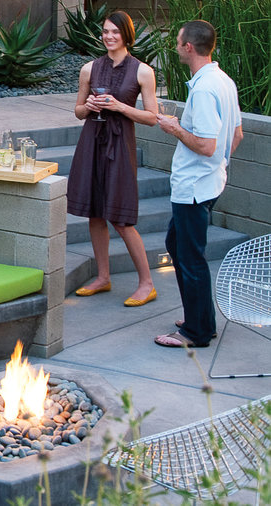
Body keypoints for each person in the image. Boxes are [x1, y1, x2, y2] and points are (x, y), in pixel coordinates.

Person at [154, 20, 243, 348]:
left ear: (188, 47)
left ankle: (195, 332)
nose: (176, 46)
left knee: (189, 256)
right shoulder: (223, 81)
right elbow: (236, 134)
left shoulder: (205, 89)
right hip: (209, 183)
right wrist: (218, 165)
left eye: (178, 42)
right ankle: (200, 318)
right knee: (177, 245)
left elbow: (206, 144)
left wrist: (174, 128)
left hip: (194, 188)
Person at [67, 10, 159, 307]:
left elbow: (152, 117)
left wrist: (120, 106)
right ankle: (103, 277)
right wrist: (90, 106)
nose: (108, 36)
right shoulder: (89, 69)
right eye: (105, 31)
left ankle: (147, 283)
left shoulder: (142, 71)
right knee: (95, 212)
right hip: (92, 142)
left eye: (115, 32)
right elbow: (78, 111)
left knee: (120, 218)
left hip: (120, 146)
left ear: (126, 35)